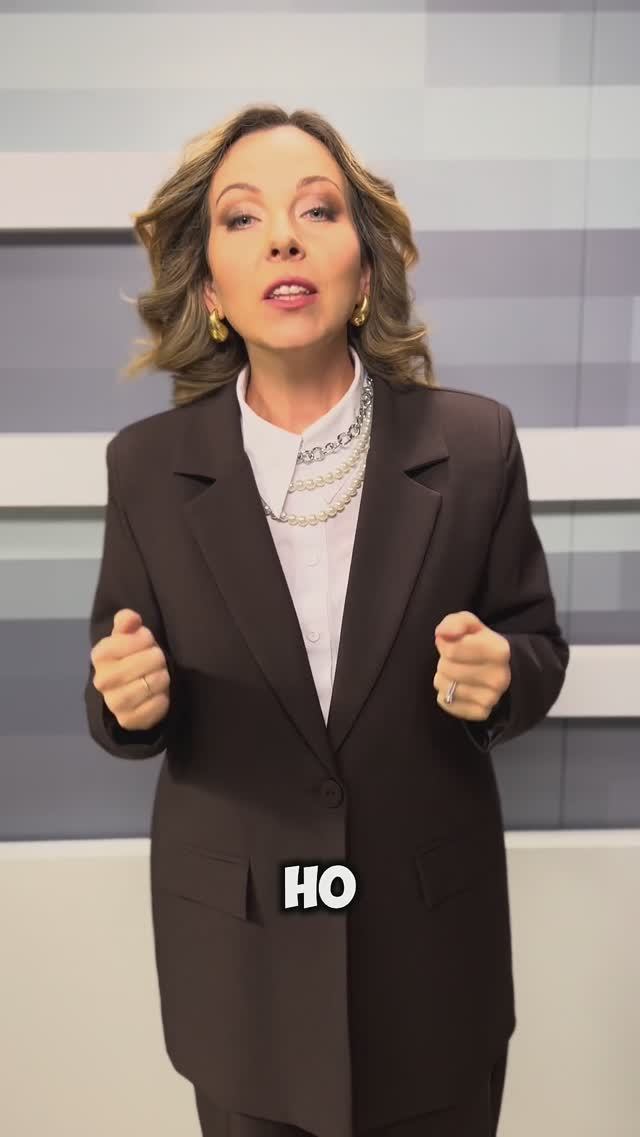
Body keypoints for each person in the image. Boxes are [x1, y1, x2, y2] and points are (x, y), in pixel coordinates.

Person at [84, 104, 570, 1137]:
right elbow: (118, 689)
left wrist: (505, 677)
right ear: (210, 291)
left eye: (316, 210)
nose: (283, 238)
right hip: (243, 966)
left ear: (365, 268)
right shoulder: (146, 468)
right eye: (242, 217)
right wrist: (126, 702)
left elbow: (536, 645)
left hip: (430, 962)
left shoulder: (475, 445)